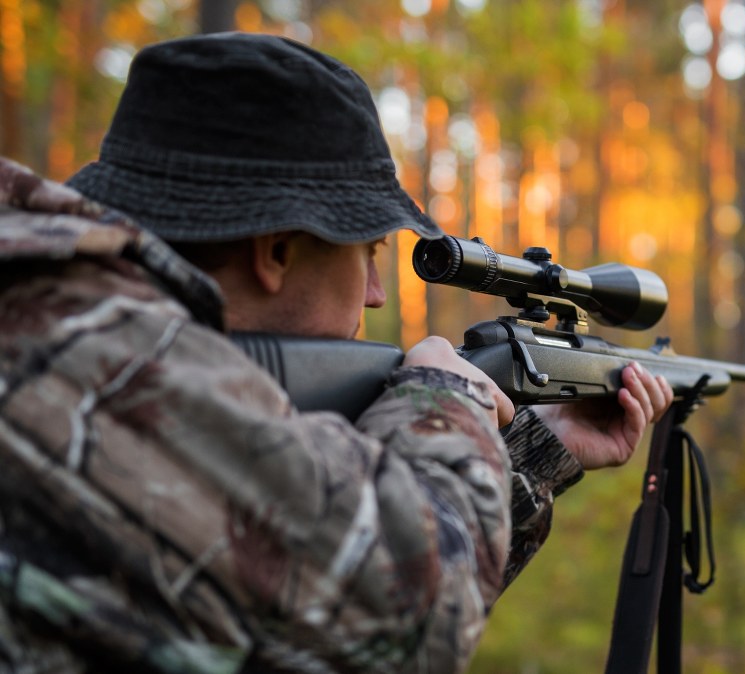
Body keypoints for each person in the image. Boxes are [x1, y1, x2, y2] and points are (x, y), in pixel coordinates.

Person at [0, 32, 672, 673]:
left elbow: (291, 630)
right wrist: (442, 401)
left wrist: (533, 453)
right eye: (369, 254)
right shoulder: (94, 355)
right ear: (277, 252)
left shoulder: (55, 317)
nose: (376, 295)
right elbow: (401, 627)